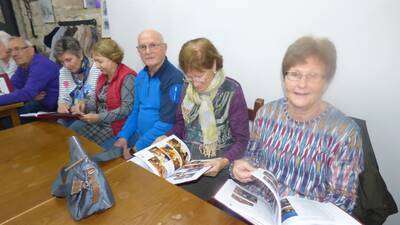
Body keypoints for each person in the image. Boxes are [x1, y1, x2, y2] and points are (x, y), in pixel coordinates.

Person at [231, 36, 364, 213]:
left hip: (305, 217)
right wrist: (240, 167)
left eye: (313, 76)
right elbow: (252, 156)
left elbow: (342, 202)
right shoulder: (266, 114)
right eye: (294, 74)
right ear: (284, 78)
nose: (302, 84)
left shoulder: (344, 133)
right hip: (258, 208)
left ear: (326, 82)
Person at [157, 38, 250, 200]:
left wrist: (223, 161)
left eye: (200, 76)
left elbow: (242, 140)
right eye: (190, 77)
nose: (196, 83)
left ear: (214, 65)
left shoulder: (232, 90)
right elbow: (181, 125)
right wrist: (166, 137)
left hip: (218, 168)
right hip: (187, 164)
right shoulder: (187, 87)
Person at [109, 29, 184, 154]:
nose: (147, 51)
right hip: (138, 137)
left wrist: (136, 149)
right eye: (143, 47)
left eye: (153, 45)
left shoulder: (174, 78)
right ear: (138, 51)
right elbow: (136, 111)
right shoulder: (141, 76)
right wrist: (123, 136)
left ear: (164, 48)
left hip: (159, 143)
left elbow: (166, 124)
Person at [73, 38, 136, 148]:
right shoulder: (103, 76)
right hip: (100, 121)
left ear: (113, 58)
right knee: (73, 137)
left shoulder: (128, 77)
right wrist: (84, 104)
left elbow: (126, 109)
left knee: (89, 148)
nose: (96, 66)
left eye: (100, 61)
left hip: (115, 126)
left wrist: (99, 117)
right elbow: (98, 101)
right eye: (94, 61)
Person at [0, 37, 59, 113]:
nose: (14, 54)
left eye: (17, 49)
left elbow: (27, 93)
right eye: (11, 50)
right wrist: (29, 96)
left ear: (31, 50)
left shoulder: (41, 64)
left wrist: (27, 95)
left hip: (55, 110)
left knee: (7, 118)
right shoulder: (23, 66)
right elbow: (11, 87)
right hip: (40, 106)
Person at [53, 36, 101, 128]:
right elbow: (63, 98)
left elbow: (100, 102)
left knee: (72, 130)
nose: (66, 65)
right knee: (58, 126)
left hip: (91, 116)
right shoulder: (63, 72)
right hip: (72, 115)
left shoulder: (96, 69)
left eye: (69, 60)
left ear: (80, 54)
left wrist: (83, 105)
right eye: (62, 62)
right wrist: (62, 105)